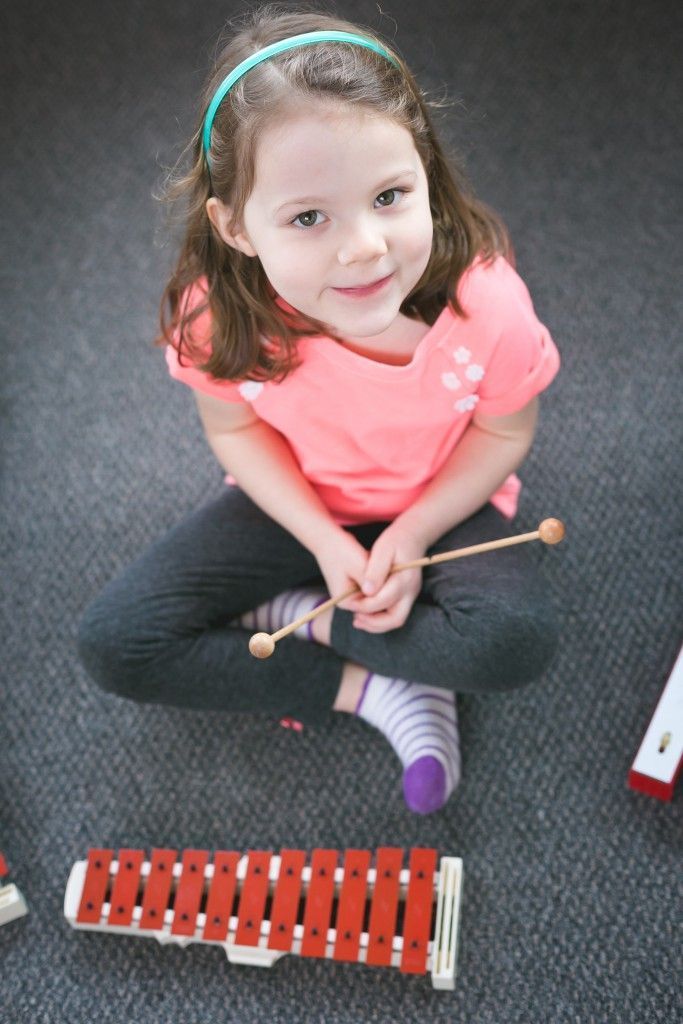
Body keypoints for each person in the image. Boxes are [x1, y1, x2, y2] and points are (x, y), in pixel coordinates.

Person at [77, 5, 562, 815]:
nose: (365, 247)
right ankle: (378, 691)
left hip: (443, 503)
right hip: (300, 504)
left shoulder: (490, 305)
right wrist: (321, 540)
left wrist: (410, 534)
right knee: (116, 644)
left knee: (516, 643)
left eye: (388, 195)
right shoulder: (217, 317)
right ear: (235, 227)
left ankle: (298, 618)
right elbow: (234, 430)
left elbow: (506, 428)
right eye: (308, 218)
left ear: (425, 173)